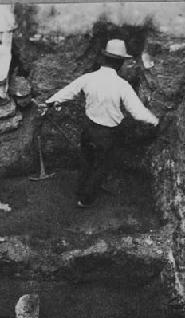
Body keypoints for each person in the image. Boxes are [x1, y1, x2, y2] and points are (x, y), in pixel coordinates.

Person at [44, 39, 159, 207]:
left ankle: (80, 190)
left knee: (87, 161)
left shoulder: (88, 78)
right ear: (119, 62)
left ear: (104, 59)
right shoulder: (122, 86)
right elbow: (137, 112)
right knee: (102, 166)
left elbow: (67, 92)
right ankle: (85, 200)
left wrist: (49, 103)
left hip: (89, 129)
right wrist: (155, 121)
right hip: (108, 135)